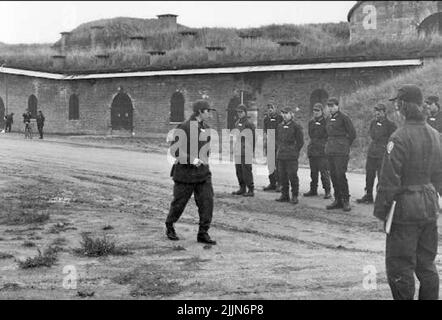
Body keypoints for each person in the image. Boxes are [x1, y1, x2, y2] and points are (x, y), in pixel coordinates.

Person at [374, 84, 442, 300]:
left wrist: (382, 212)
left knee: (400, 266)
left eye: (397, 103)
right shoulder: (435, 135)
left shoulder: (398, 137)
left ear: (403, 105)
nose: (396, 107)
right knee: (427, 264)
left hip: (405, 209)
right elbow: (439, 175)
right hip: (429, 206)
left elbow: (389, 180)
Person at [165, 100, 217, 245]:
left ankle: (203, 233)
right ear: (200, 111)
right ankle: (170, 226)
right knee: (179, 204)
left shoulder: (206, 128)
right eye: (207, 111)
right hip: (185, 174)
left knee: (207, 203)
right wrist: (192, 160)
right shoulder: (184, 127)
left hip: (203, 174)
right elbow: (174, 150)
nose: (209, 113)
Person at [356, 104, 397, 204]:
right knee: (369, 175)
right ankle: (368, 195)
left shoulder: (391, 124)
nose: (377, 113)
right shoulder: (373, 123)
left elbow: (393, 140)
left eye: (379, 111)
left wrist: (389, 153)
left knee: (382, 177)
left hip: (383, 154)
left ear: (384, 112)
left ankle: (381, 198)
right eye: (376, 111)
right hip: (372, 153)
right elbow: (372, 135)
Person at [324, 97, 356, 212]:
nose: (331, 108)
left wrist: (345, 145)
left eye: (333, 106)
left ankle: (346, 200)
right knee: (333, 175)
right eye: (329, 106)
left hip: (341, 152)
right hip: (330, 151)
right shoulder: (327, 119)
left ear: (338, 106)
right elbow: (326, 134)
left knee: (340, 175)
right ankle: (338, 200)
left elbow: (352, 134)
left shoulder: (344, 118)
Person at [275, 106, 304, 204]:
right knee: (282, 176)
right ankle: (284, 195)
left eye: (286, 113)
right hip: (281, 155)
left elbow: (300, 142)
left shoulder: (296, 126)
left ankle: (295, 196)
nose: (284, 115)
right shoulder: (279, 126)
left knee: (292, 175)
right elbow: (277, 139)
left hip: (291, 156)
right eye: (283, 113)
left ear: (291, 114)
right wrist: (280, 148)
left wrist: (295, 151)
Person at [304, 103, 331, 199]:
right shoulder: (311, 122)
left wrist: (324, 146)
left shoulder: (326, 122)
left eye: (317, 110)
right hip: (313, 149)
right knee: (313, 172)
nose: (315, 112)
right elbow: (311, 134)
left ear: (321, 111)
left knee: (324, 172)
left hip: (322, 151)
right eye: (314, 110)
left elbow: (327, 135)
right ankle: (313, 190)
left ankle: (327, 191)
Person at [232, 104, 256, 197]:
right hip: (238, 149)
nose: (239, 113)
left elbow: (253, 138)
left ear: (245, 112)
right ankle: (242, 188)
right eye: (238, 112)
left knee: (246, 170)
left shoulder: (249, 123)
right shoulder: (237, 122)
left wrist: (251, 150)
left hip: (246, 150)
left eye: (241, 112)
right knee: (238, 170)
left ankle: (251, 189)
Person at [263, 103, 283, 192]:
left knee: (278, 165)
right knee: (270, 165)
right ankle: (272, 183)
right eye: (268, 108)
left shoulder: (280, 118)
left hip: (277, 143)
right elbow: (265, 131)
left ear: (275, 108)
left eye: (272, 107)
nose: (270, 109)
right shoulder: (266, 119)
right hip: (270, 143)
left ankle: (280, 184)